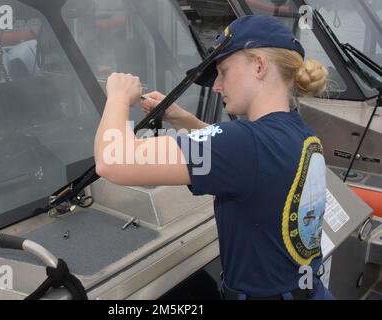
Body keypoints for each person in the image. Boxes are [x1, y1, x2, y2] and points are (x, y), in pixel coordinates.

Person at [94, 15, 334, 300]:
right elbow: (244, 156)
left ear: (259, 66)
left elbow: (112, 160)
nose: (217, 86)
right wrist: (185, 120)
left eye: (224, 71)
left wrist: (118, 97)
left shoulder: (244, 144)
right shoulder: (300, 133)